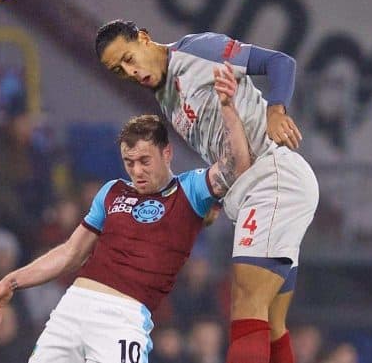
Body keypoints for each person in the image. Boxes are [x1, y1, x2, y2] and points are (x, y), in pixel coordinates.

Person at [0, 66, 250, 363]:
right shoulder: (113, 191)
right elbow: (69, 254)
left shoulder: (190, 189)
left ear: (167, 153)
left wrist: (228, 107)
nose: (137, 171)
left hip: (122, 318)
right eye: (129, 162)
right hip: (73, 307)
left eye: (145, 160)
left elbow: (237, 165)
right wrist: (11, 281)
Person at [95, 19, 320, 363]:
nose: (130, 71)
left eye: (129, 57)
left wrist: (276, 110)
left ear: (143, 38)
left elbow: (280, 63)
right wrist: (214, 197)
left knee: (246, 303)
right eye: (119, 70)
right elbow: (223, 150)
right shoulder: (166, 97)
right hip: (254, 190)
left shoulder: (197, 51)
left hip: (272, 179)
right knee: (271, 322)